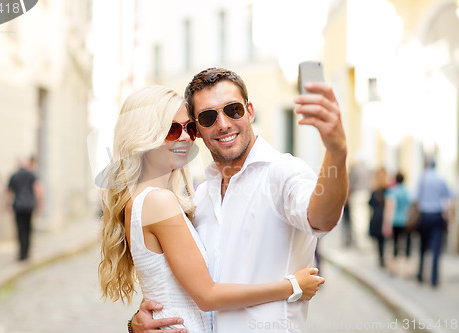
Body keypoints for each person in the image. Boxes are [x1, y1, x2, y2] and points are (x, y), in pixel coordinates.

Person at [132, 67, 348, 332]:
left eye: (233, 109)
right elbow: (183, 283)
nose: (223, 124)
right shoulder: (200, 198)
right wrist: (138, 324)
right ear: (197, 130)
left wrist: (336, 152)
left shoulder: (283, 172)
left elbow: (322, 217)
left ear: (250, 112)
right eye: (209, 117)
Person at [415, 160, 453, 287]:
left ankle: (420, 273)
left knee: (422, 246)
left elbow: (415, 197)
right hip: (437, 215)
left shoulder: (422, 178)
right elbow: (449, 196)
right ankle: (434, 278)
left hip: (425, 215)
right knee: (436, 248)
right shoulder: (440, 179)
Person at [6, 157, 44, 261]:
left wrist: (6, 205)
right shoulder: (31, 175)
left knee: (20, 229)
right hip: (29, 205)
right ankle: (27, 253)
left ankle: (21, 253)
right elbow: (38, 189)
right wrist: (39, 204)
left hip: (18, 206)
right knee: (28, 229)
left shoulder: (14, 175)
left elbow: (9, 192)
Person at [383, 171, 412, 276]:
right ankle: (406, 268)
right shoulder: (407, 191)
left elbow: (389, 208)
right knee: (406, 244)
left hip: (395, 221)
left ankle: (393, 267)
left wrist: (386, 224)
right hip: (405, 220)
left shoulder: (392, 192)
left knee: (395, 244)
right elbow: (410, 207)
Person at [368, 167, 388, 268]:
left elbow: (369, 204)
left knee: (378, 240)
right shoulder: (387, 190)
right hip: (384, 216)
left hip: (376, 216)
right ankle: (383, 257)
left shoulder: (375, 191)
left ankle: (380, 257)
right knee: (384, 240)